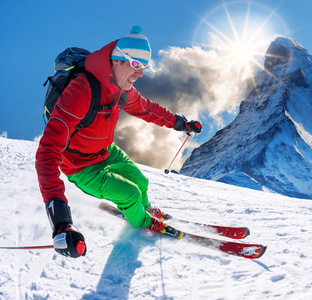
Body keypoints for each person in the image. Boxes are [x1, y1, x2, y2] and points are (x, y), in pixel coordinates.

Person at [36, 26, 201, 258]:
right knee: (131, 193)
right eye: (136, 65)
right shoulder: (81, 90)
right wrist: (61, 221)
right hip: (81, 166)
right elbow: (46, 153)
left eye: (143, 67)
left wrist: (180, 123)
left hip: (106, 152)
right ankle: (142, 221)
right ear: (117, 61)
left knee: (141, 182)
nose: (140, 73)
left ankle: (142, 210)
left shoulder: (121, 87)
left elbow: (147, 109)